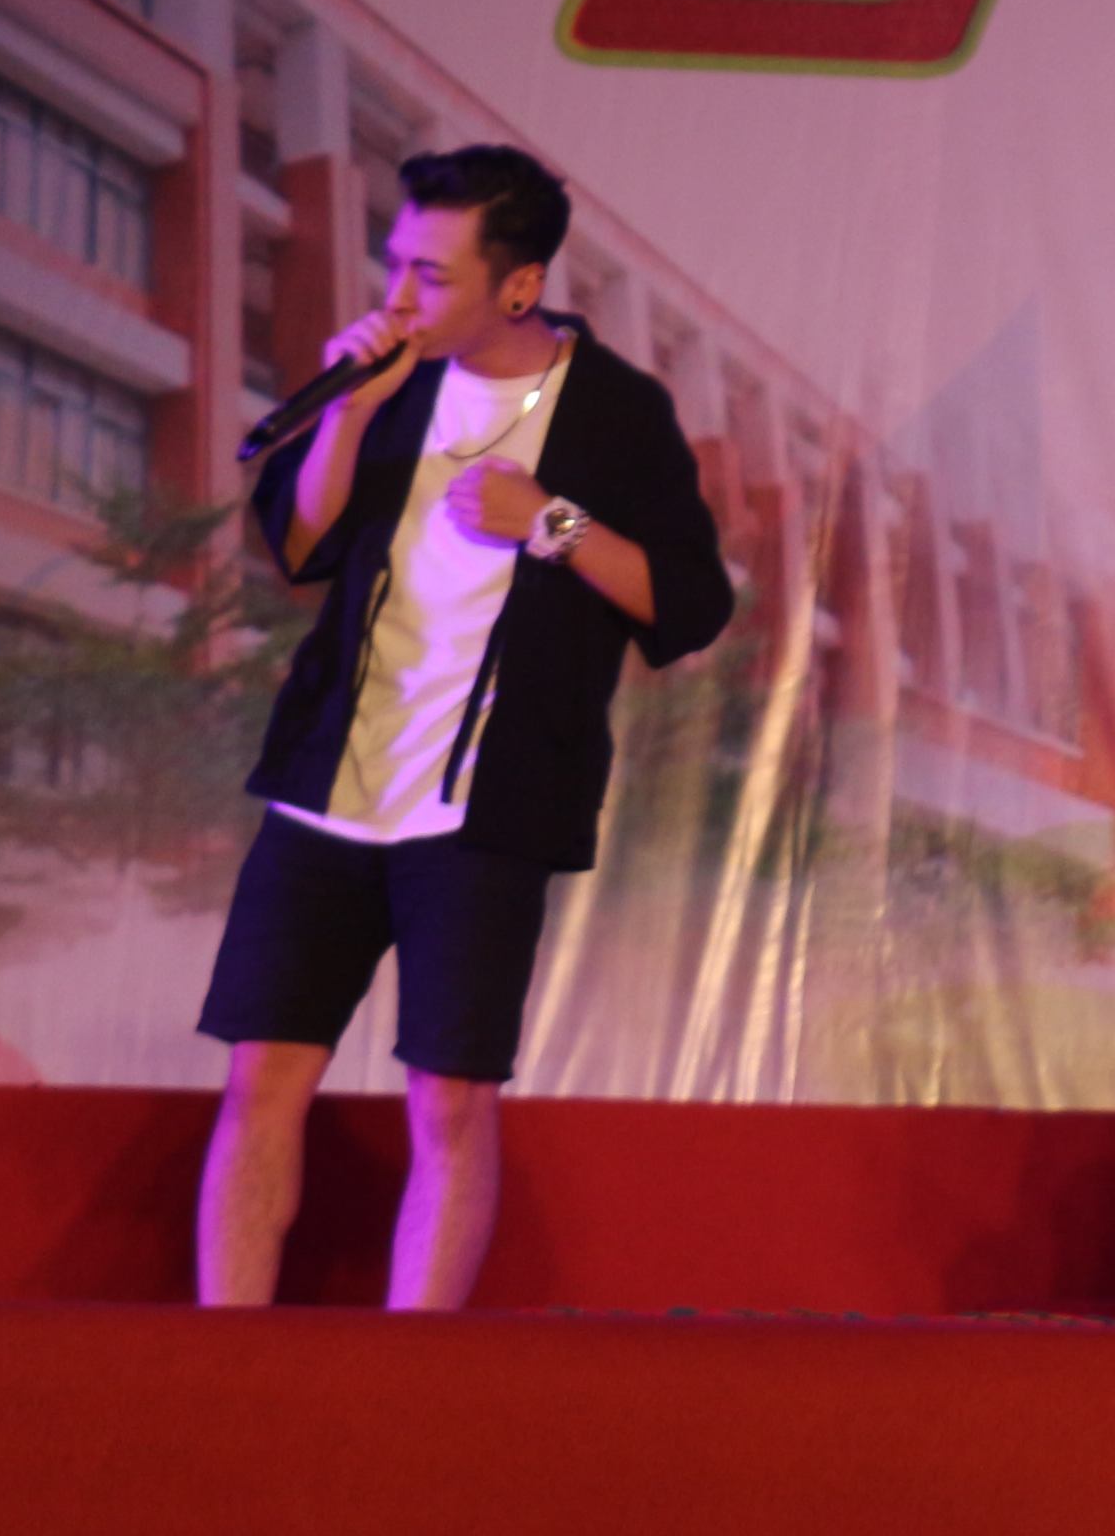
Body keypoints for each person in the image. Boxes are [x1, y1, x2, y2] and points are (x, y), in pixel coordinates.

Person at [195, 143, 735, 1308]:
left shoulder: (617, 412)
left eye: (432, 276)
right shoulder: (389, 384)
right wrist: (349, 414)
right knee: (261, 1077)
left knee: (450, 1099)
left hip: (484, 810)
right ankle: (224, 1353)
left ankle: (415, 1371)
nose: (400, 295)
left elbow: (691, 604)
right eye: (397, 264)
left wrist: (551, 523)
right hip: (329, 787)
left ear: (521, 285)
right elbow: (300, 548)